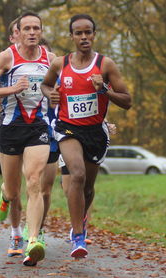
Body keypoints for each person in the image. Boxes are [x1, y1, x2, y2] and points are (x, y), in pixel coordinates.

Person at [41, 14, 131, 258]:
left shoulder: (106, 65)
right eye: (78, 33)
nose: (84, 37)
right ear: (71, 36)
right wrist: (51, 94)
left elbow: (127, 101)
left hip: (95, 131)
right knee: (77, 174)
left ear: (94, 35)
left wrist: (104, 89)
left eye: (88, 32)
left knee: (88, 188)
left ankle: (79, 220)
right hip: (68, 127)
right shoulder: (60, 64)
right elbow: (46, 84)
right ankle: (78, 237)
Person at [0, 12, 56, 266]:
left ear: (41, 32)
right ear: (19, 32)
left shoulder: (51, 59)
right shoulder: (7, 56)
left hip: (38, 128)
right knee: (13, 191)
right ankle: (4, 194)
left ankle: (32, 240)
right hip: (11, 128)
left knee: (34, 182)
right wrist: (12, 88)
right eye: (27, 28)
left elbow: (63, 87)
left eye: (36, 28)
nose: (32, 32)